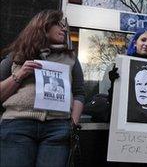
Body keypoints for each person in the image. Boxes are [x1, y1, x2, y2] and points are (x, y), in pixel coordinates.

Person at [0, 10, 84, 167]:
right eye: (59, 24)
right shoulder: (16, 55)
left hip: (57, 128)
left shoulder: (71, 58)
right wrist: (20, 74)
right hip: (18, 124)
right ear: (43, 26)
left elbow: (79, 93)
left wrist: (72, 123)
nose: (64, 29)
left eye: (65, 25)